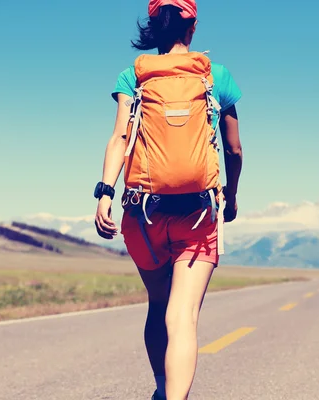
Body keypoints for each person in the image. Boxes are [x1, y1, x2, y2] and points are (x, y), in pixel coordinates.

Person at [93, 1, 243, 399]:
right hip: (198, 215)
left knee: (158, 305)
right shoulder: (217, 77)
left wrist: (105, 193)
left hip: (143, 216)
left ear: (152, 27)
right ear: (192, 28)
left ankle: (161, 387)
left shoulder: (134, 77)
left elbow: (120, 138)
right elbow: (235, 150)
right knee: (183, 316)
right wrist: (232, 196)